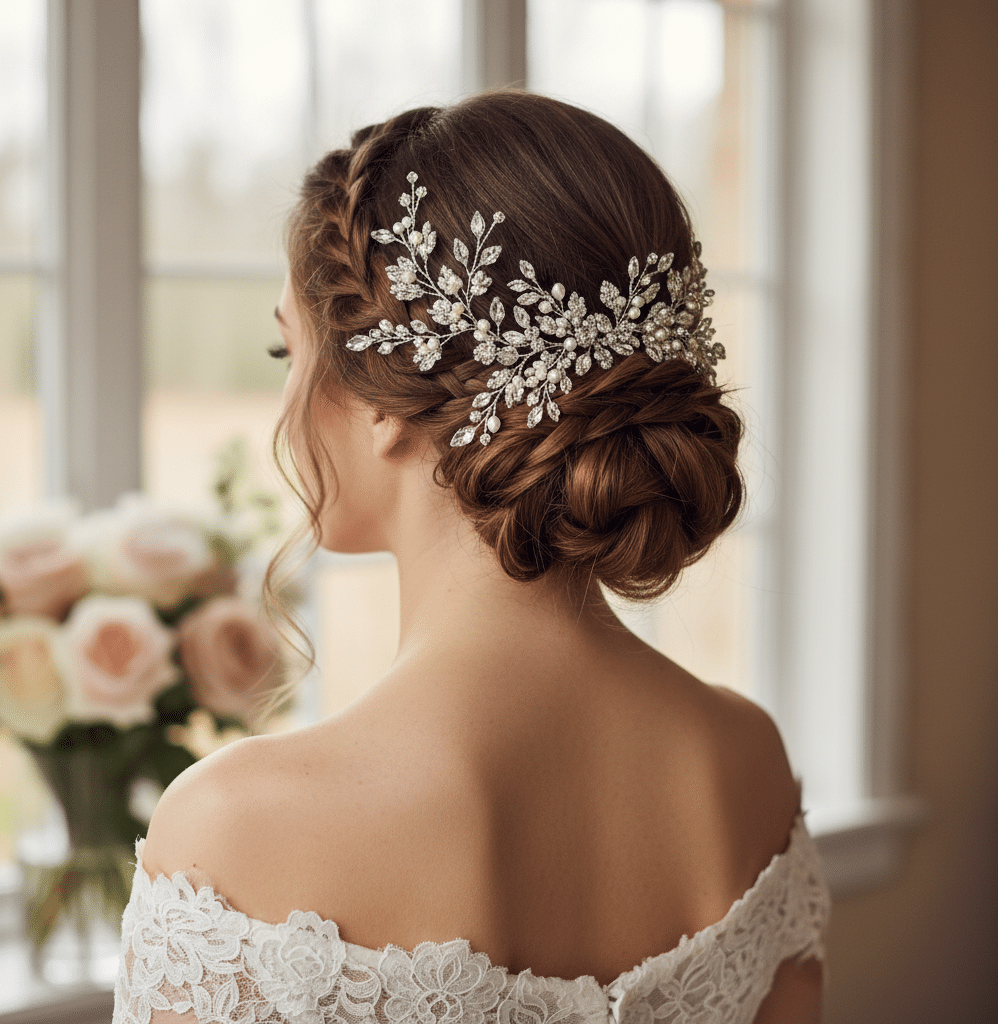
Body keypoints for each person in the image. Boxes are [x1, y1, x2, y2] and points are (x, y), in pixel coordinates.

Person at [113, 91, 829, 1024]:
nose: (286, 402)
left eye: (287, 352)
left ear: (379, 403)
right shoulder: (744, 763)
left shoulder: (232, 832)